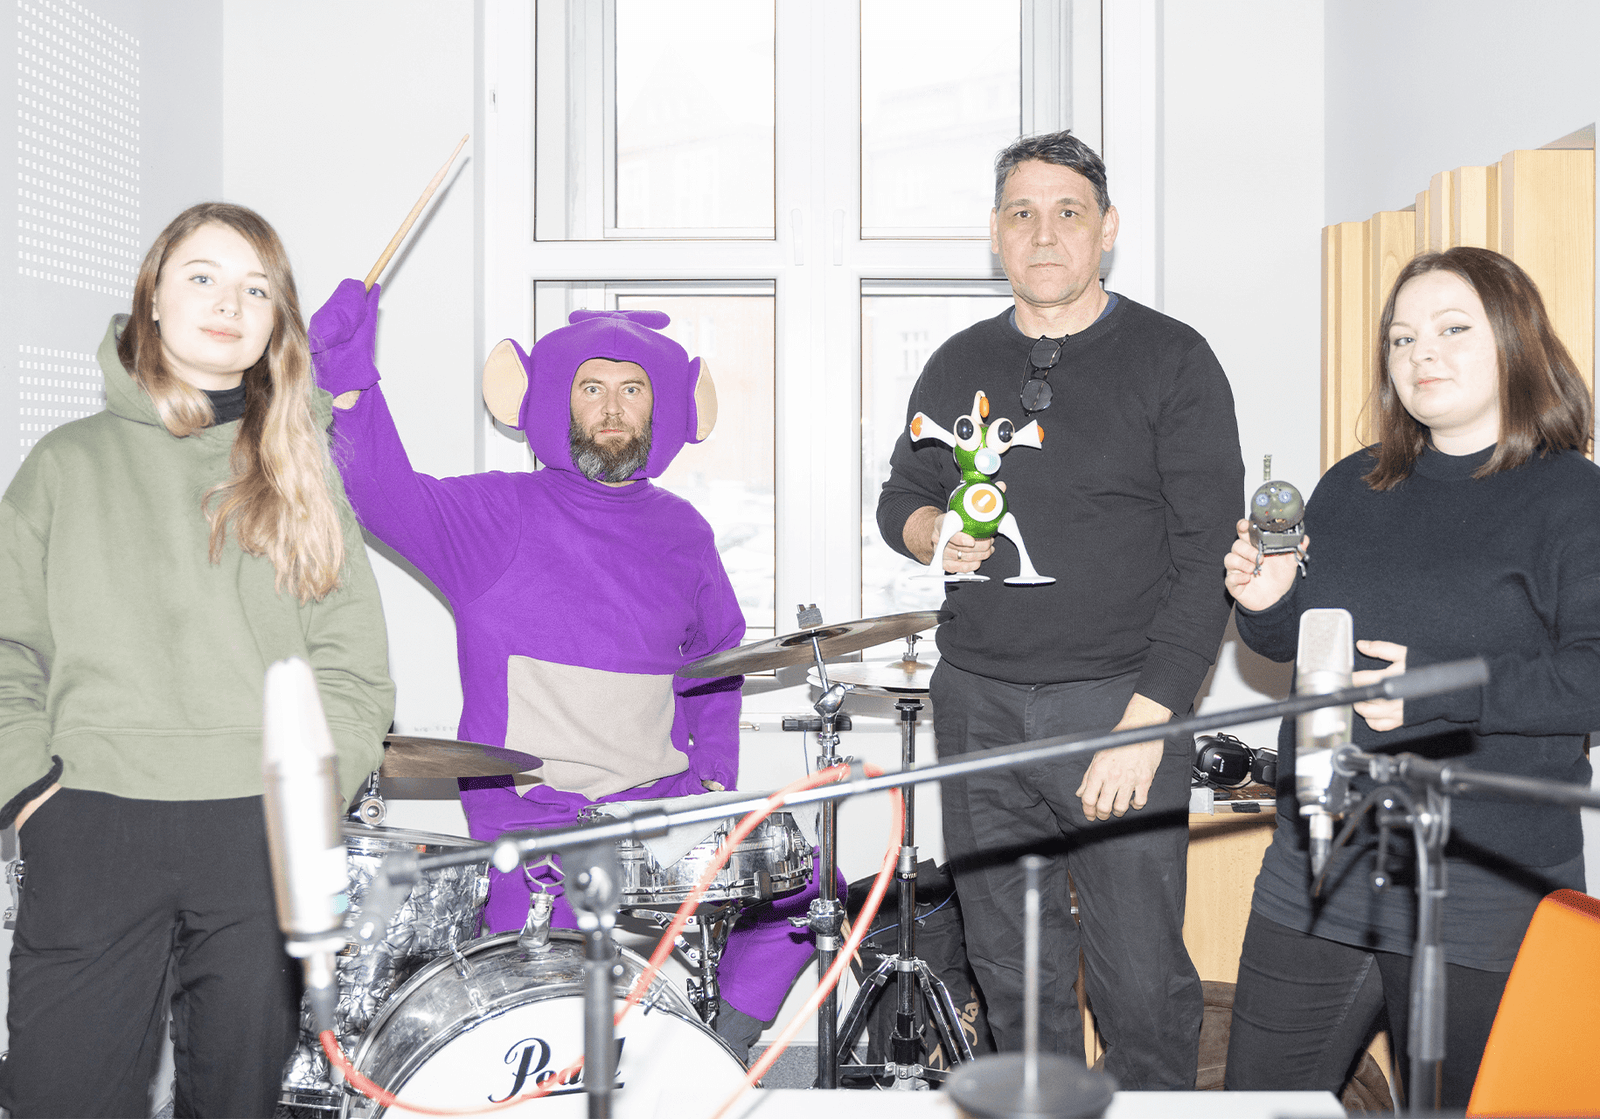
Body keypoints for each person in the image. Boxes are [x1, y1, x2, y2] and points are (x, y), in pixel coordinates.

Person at [309, 285, 825, 1055]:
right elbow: (382, 496)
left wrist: (713, 777)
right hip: (533, 832)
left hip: (658, 817)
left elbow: (717, 665)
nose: (612, 408)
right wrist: (350, 382)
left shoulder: (687, 531)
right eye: (592, 388)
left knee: (814, 889)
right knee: (532, 1031)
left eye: (631, 389)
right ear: (548, 399)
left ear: (669, 410)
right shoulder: (495, 515)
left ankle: (716, 1051)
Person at [0, 203, 395, 1118]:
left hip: (257, 833)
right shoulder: (64, 465)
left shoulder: (304, 471)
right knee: (62, 1098)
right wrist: (32, 793)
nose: (229, 301)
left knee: (237, 1103)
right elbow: (8, 646)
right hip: (90, 821)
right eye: (203, 277)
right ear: (153, 300)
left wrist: (307, 798)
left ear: (274, 323)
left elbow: (355, 667)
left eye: (256, 287)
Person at [876, 130, 1243, 1088]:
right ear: (996, 234)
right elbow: (900, 495)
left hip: (1117, 707)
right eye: (1022, 212)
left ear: (1107, 230)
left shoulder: (1173, 360)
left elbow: (1208, 556)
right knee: (1010, 972)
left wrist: (1149, 722)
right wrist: (929, 534)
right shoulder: (957, 362)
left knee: (1139, 980)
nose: (1045, 233)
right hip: (977, 706)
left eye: (1068, 211)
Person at [1222, 246, 1600, 1107]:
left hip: (1481, 882)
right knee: (1258, 1106)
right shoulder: (1353, 484)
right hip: (1314, 868)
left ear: (1516, 341)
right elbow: (1300, 644)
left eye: (1452, 329)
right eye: (1402, 338)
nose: (1421, 353)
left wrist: (1452, 688)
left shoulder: (1576, 498)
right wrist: (1266, 601)